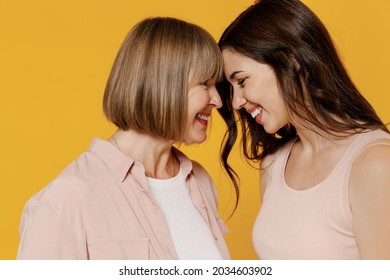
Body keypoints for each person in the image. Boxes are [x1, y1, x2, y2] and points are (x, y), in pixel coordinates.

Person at [17, 17, 230, 260]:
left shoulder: (199, 182)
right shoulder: (66, 200)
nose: (218, 101)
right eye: (205, 84)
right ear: (163, 84)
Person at [217, 0, 390, 259]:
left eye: (242, 81)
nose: (236, 102)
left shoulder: (374, 164)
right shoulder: (273, 165)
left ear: (291, 61)